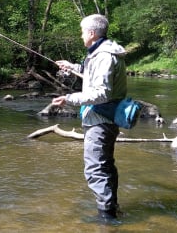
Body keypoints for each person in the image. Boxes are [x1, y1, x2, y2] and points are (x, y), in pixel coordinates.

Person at [52, 14, 127, 221]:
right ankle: (112, 209)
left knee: (95, 168)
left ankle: (107, 219)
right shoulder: (101, 53)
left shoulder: (103, 56)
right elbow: (92, 75)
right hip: (106, 119)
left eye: (82, 31)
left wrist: (69, 98)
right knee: (106, 166)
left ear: (92, 33)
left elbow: (102, 93)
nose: (81, 35)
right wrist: (72, 67)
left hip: (100, 120)